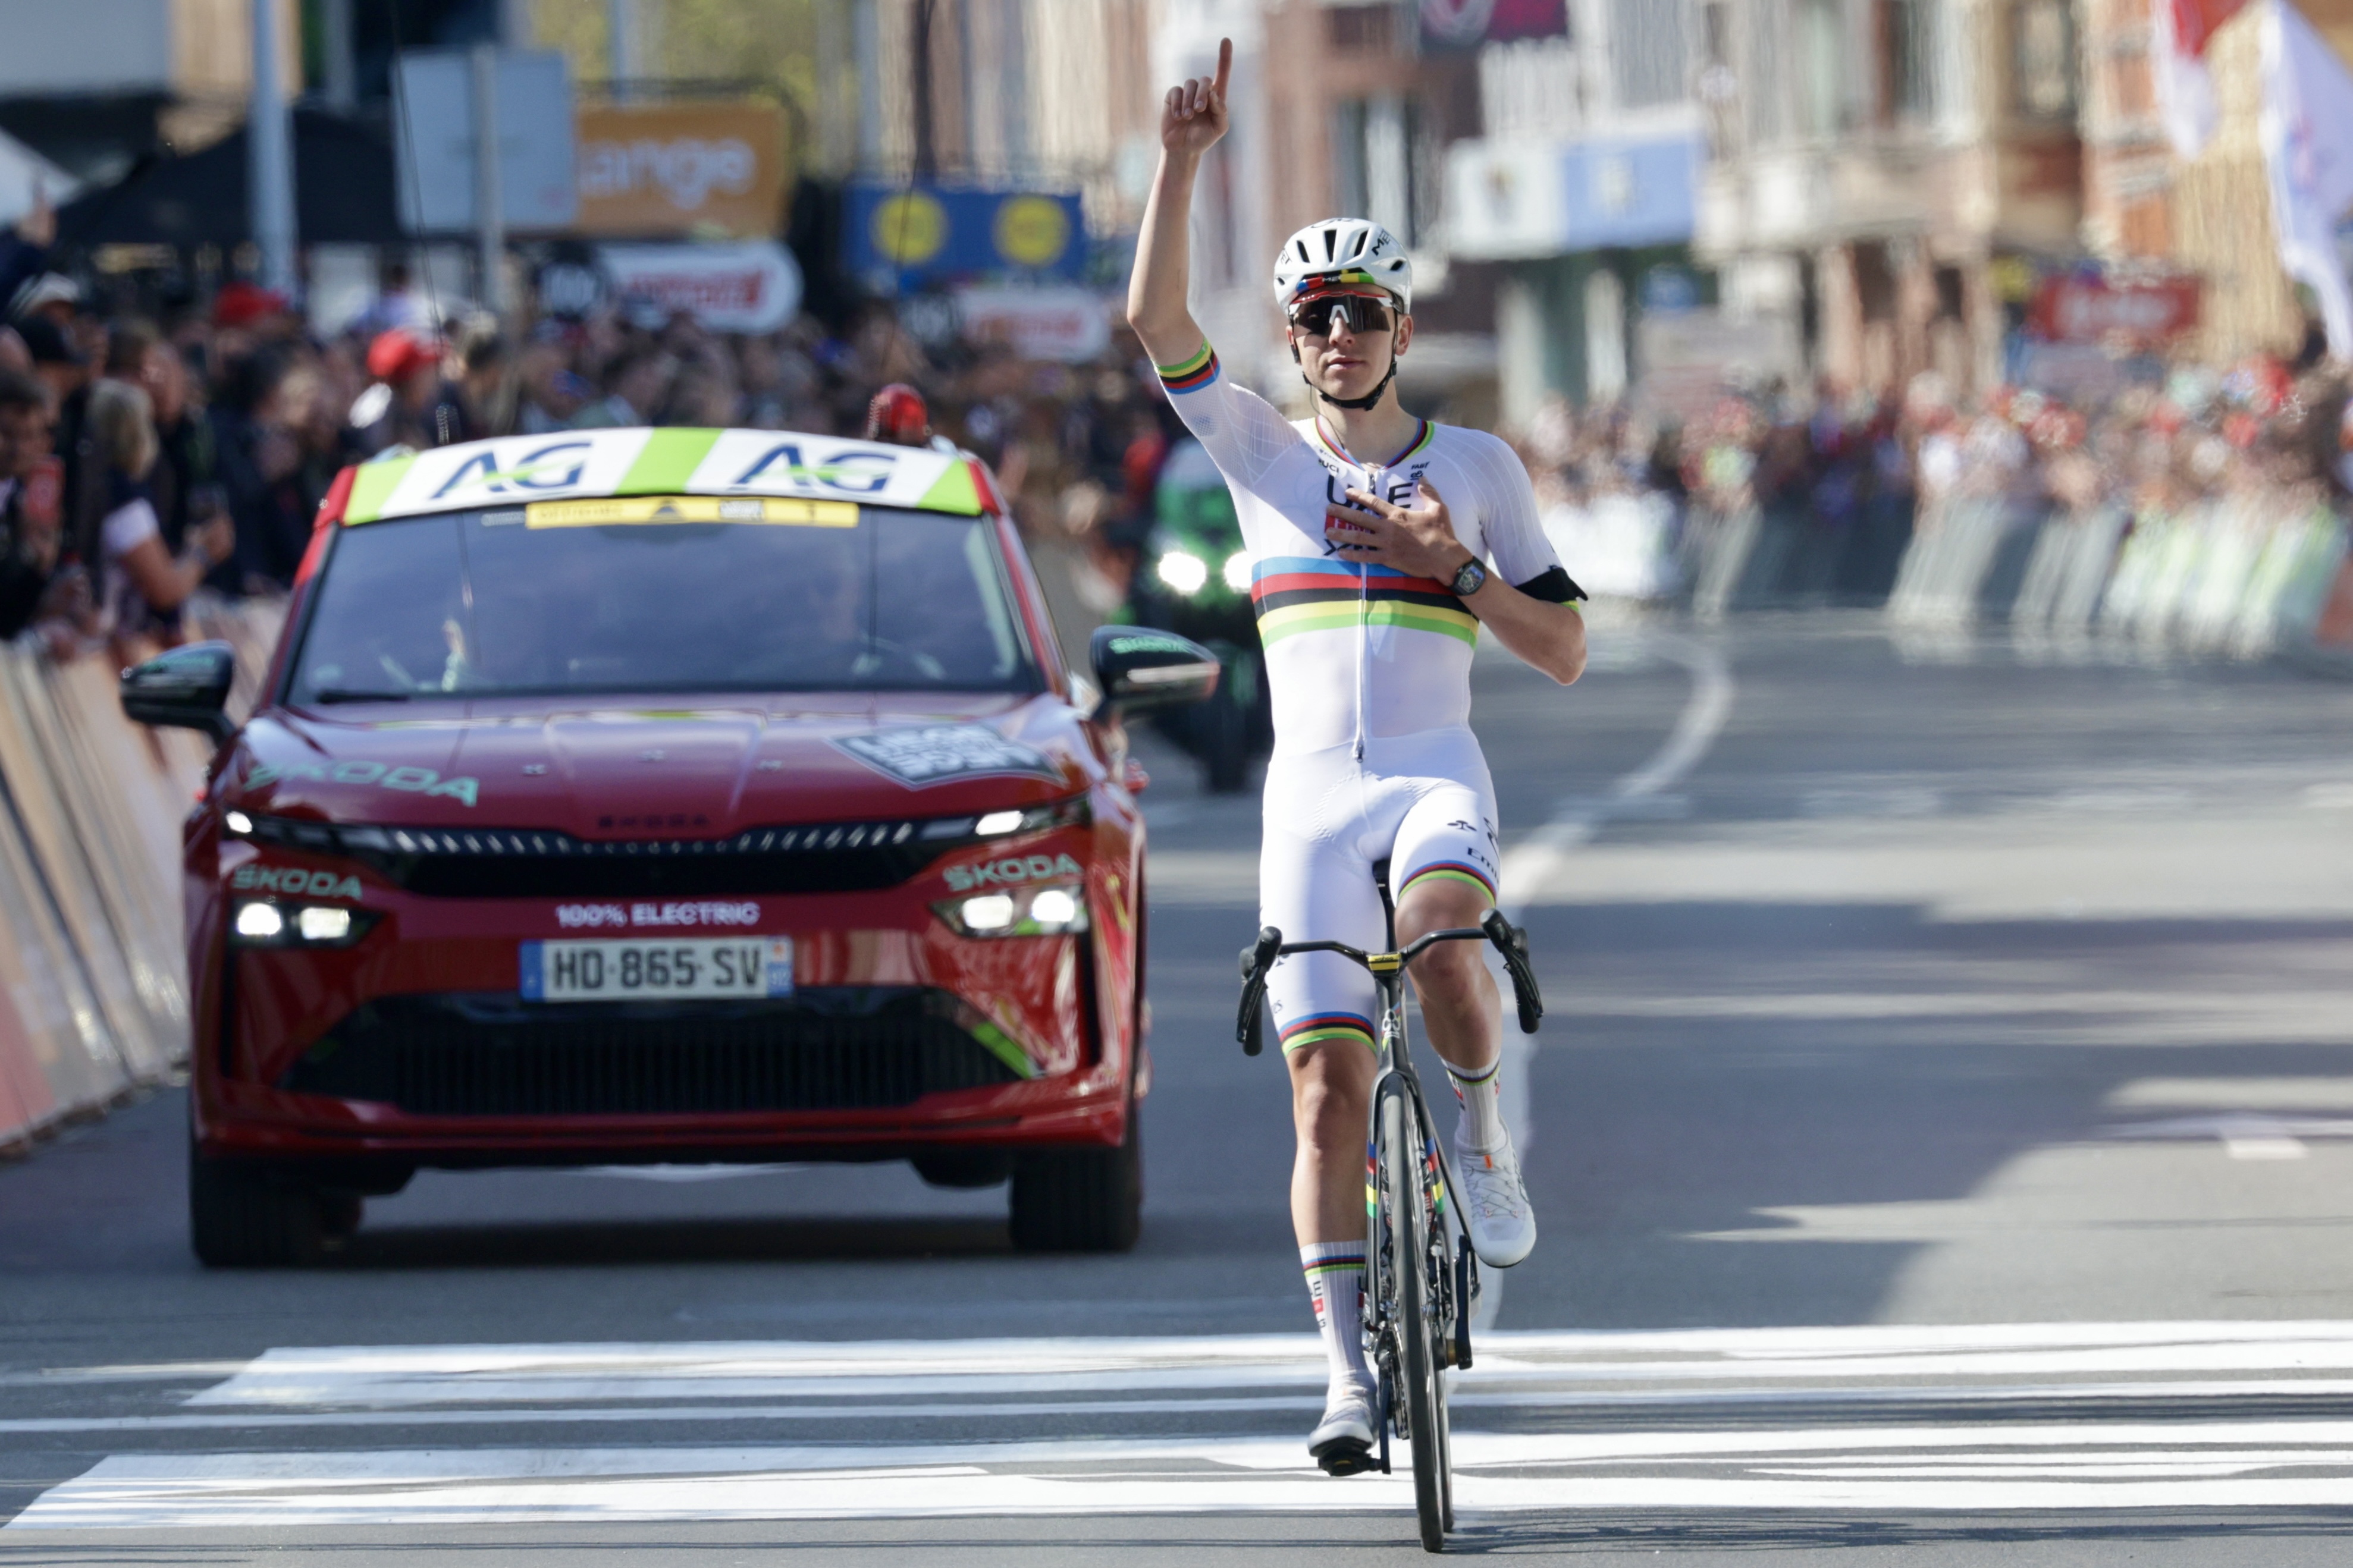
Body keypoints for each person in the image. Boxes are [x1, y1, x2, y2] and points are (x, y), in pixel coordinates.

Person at [1127, 39, 1588, 1476]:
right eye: (1315, 318)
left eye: (1363, 315)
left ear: (1400, 328)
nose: (1339, 338)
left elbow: (1565, 650)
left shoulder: (1480, 468)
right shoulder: (1265, 457)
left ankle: (1479, 1127)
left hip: (1436, 770)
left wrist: (1456, 573)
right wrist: (1181, 162)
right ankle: (1340, 1376)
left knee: (1446, 947)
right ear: (1297, 336)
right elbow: (1154, 323)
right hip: (1308, 798)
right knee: (1323, 1089)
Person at [86, 378, 233, 643]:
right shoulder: (122, 497)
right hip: (104, 643)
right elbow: (164, 590)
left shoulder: (95, 485)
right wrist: (204, 554)